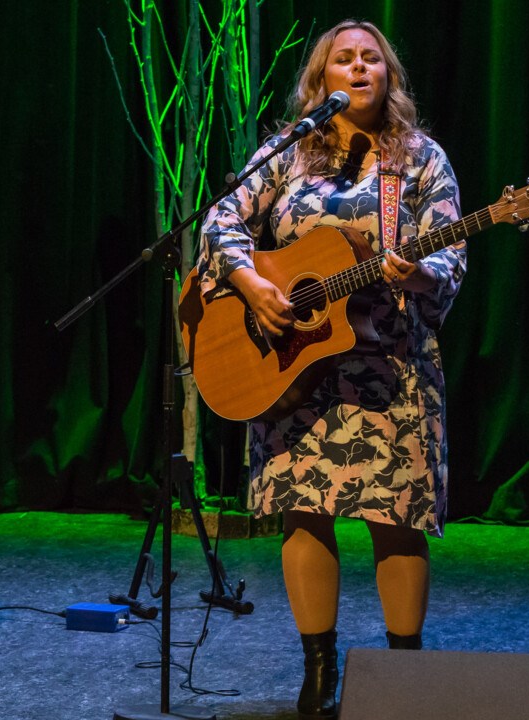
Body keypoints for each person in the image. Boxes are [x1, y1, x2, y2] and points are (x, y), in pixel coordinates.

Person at [197, 20, 466, 720]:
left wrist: (417, 272)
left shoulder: (421, 160)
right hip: (294, 371)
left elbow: (450, 257)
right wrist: (255, 285)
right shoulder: (287, 153)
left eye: (370, 58)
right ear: (319, 82)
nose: (357, 68)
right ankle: (319, 672)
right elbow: (219, 221)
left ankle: (402, 677)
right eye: (342, 60)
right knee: (303, 513)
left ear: (389, 75)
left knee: (395, 519)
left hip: (389, 370)